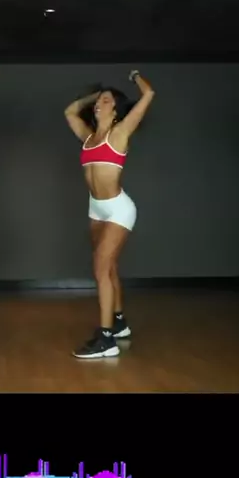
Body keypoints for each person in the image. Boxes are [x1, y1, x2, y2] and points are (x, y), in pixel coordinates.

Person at [64, 70, 155, 359]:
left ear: (115, 109)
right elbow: (70, 111)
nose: (98, 105)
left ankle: (106, 339)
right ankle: (119, 322)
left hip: (118, 208)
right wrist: (97, 93)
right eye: (97, 101)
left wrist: (135, 76)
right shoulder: (88, 137)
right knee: (109, 267)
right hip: (96, 207)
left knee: (101, 270)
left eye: (105, 101)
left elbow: (149, 94)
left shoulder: (120, 133)